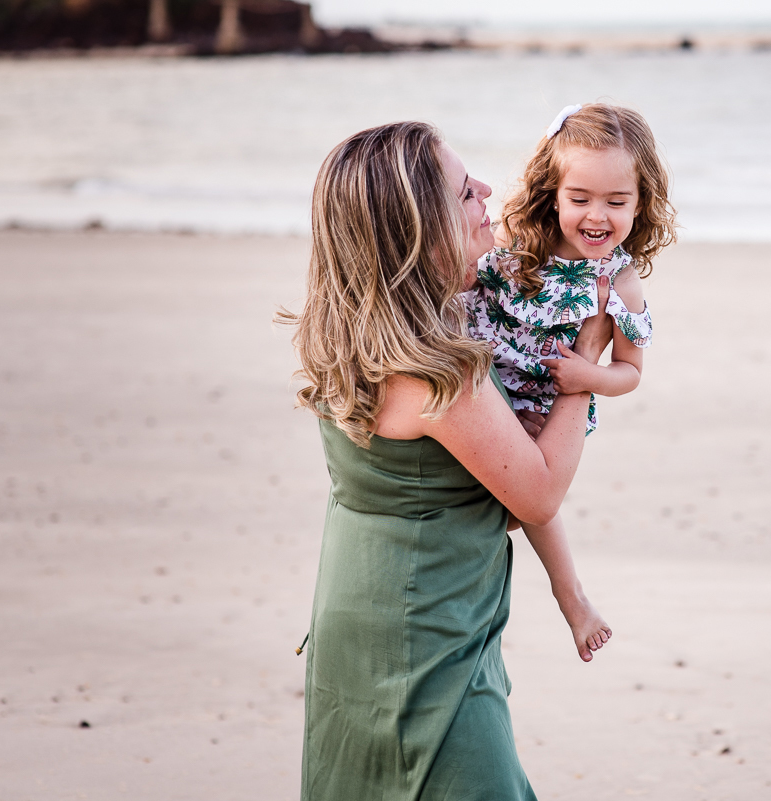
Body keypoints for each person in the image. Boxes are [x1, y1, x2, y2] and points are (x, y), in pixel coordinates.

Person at [279, 121, 612, 800]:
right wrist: (587, 358)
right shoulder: (441, 376)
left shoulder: (360, 334)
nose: (487, 191)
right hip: (423, 641)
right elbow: (539, 493)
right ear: (420, 227)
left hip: (362, 613)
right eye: (465, 192)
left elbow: (442, 496)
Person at [467, 102, 676, 662]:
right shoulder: (515, 239)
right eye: (579, 199)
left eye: (616, 201)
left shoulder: (621, 283)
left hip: (544, 402)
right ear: (552, 194)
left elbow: (630, 373)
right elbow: (471, 287)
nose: (596, 217)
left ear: (642, 201)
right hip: (481, 375)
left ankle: (571, 596)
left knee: (531, 504)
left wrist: (589, 376)